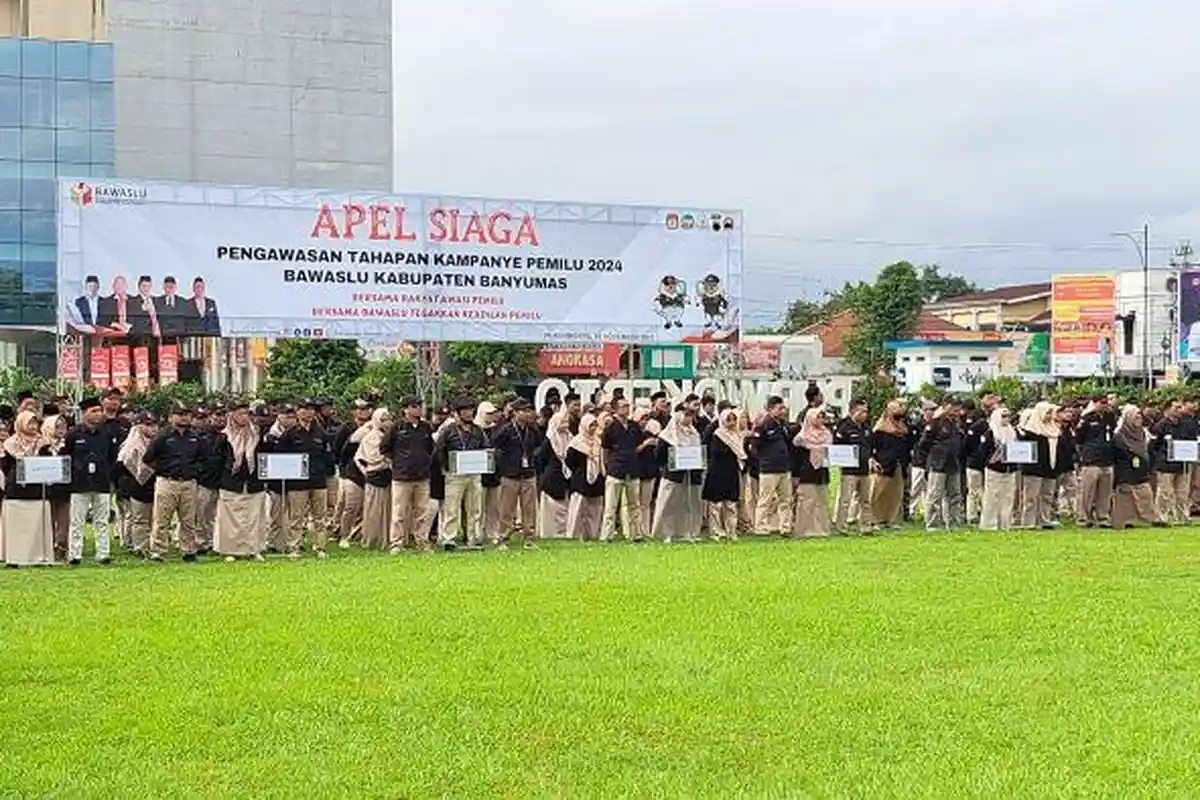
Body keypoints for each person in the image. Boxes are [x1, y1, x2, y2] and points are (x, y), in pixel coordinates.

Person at [270, 398, 332, 559]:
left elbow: (328, 456)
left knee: (320, 517)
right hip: (297, 483)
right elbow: (280, 457)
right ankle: (293, 547)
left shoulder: (320, 432)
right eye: (305, 409)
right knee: (296, 518)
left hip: (318, 480)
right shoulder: (290, 434)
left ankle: (320, 547)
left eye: (311, 409)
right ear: (298, 412)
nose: (309, 412)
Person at [142, 403, 203, 561]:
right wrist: (163, 469)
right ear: (171, 417)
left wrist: (195, 471)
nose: (183, 417)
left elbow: (202, 459)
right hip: (167, 482)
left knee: (188, 520)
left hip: (189, 483)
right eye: (179, 414)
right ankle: (158, 550)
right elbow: (148, 458)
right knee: (162, 519)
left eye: (187, 414)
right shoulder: (163, 436)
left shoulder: (195, 436)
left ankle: (188, 549)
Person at [62, 396, 118, 565]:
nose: (98, 414)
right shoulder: (74, 434)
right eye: (94, 411)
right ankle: (75, 554)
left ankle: (103, 553)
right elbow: (67, 456)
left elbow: (112, 456)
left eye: (99, 410)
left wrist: (108, 474)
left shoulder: (106, 434)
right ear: (84, 413)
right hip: (79, 483)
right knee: (77, 521)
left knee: (102, 520)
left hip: (101, 482)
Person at [0, 410, 55, 567]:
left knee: (37, 523)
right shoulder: (10, 444)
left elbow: (48, 462)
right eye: (29, 423)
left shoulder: (43, 443)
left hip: (38, 490)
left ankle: (39, 556)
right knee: (17, 525)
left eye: (35, 423)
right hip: (16, 490)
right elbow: (5, 466)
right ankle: (15, 557)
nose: (33, 426)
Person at [214, 402, 265, 562]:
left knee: (254, 516)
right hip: (231, 481)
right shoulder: (224, 436)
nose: (244, 417)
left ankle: (254, 548)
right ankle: (229, 550)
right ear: (232, 416)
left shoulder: (256, 433)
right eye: (240, 414)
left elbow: (262, 455)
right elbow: (217, 460)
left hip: (253, 481)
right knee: (229, 518)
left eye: (246, 414)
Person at [436, 398, 489, 550]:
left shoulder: (478, 430)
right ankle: (449, 538)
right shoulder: (449, 430)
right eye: (465, 410)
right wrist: (447, 466)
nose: (469, 413)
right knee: (452, 507)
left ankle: (473, 536)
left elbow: (486, 448)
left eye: (471, 410)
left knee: (474, 507)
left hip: (474, 473)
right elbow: (439, 450)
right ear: (458, 413)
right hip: (455, 474)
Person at [490, 398, 544, 549]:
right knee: (507, 508)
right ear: (515, 413)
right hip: (510, 473)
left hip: (528, 473)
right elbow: (495, 444)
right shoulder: (506, 429)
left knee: (529, 508)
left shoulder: (532, 430)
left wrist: (532, 460)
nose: (528, 414)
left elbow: (539, 444)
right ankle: (503, 537)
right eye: (524, 411)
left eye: (529, 411)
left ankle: (529, 537)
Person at [599, 396, 648, 542]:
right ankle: (606, 535)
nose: (626, 409)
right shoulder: (610, 427)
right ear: (615, 409)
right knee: (611, 506)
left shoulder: (634, 426)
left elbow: (637, 446)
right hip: (616, 469)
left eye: (628, 405)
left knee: (634, 505)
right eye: (623, 406)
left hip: (632, 469)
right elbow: (605, 449)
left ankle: (636, 534)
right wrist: (607, 466)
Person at [652, 406, 705, 543]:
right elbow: (659, 456)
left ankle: (689, 531)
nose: (688, 419)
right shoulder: (667, 435)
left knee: (690, 504)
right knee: (669, 504)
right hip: (673, 476)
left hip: (691, 476)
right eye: (686, 415)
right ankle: (666, 533)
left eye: (690, 416)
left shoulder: (695, 434)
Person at [918, 398, 965, 532]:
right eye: (953, 407)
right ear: (945, 407)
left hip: (953, 463)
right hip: (938, 463)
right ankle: (933, 525)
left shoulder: (956, 423)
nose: (956, 410)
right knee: (935, 495)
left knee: (955, 495)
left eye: (957, 407)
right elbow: (923, 444)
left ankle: (954, 523)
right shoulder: (936, 422)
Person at [116, 412, 158, 556]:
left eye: (153, 424)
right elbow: (122, 467)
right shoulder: (130, 445)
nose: (152, 428)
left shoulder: (157, 443)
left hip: (155, 485)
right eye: (148, 424)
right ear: (139, 426)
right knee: (138, 518)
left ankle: (152, 546)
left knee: (154, 519)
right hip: (134, 486)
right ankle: (137, 546)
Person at [749, 395, 792, 536]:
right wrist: (765, 460)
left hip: (784, 468)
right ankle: (760, 527)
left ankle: (785, 527)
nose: (782, 411)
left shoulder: (783, 425)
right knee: (765, 499)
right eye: (779, 408)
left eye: (783, 408)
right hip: (768, 469)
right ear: (770, 409)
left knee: (785, 499)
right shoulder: (763, 425)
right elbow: (754, 447)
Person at [354, 407, 395, 551]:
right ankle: (373, 540)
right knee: (374, 511)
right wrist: (388, 456)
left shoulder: (391, 435)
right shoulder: (371, 437)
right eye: (383, 420)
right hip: (375, 477)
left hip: (389, 476)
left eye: (389, 419)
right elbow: (371, 458)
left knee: (389, 510)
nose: (387, 423)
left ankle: (389, 539)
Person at [1018, 401, 1061, 529]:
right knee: (1031, 498)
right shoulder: (1030, 432)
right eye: (1047, 413)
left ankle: (1044, 519)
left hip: (1050, 468)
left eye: (1050, 413)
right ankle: (1028, 522)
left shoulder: (1055, 430)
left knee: (1047, 496)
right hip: (1033, 469)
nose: (1049, 416)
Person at [703, 408, 744, 542]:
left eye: (734, 420)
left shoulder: (737, 436)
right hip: (717, 472)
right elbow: (717, 453)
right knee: (716, 505)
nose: (732, 423)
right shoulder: (718, 435)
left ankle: (731, 531)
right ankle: (716, 532)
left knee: (731, 504)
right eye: (729, 420)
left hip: (732, 472)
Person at [1112, 405, 1156, 528]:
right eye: (1135, 415)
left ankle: (1146, 519)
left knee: (1145, 493)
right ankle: (1126, 520)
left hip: (1142, 467)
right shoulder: (1120, 434)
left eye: (1139, 415)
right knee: (1126, 495)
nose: (1138, 417)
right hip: (1125, 467)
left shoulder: (1143, 433)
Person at [832, 398, 872, 534]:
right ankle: (840, 526)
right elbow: (836, 446)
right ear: (853, 411)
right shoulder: (844, 427)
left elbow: (870, 446)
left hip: (864, 468)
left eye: (866, 412)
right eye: (862, 412)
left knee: (865, 500)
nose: (865, 414)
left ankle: (866, 526)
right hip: (849, 470)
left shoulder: (866, 428)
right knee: (845, 500)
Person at [791, 406, 832, 537]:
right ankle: (804, 530)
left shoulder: (827, 435)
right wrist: (795, 475)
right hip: (806, 472)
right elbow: (796, 457)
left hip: (822, 472)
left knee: (822, 501)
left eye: (822, 417)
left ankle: (821, 529)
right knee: (806, 501)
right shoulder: (801, 438)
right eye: (817, 417)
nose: (820, 420)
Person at [565, 412, 606, 540]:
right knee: (578, 509)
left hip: (597, 479)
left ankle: (593, 534)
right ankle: (574, 535)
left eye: (595, 425)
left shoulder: (598, 442)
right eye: (590, 426)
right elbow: (570, 461)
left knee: (595, 509)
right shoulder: (576, 443)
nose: (593, 428)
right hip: (580, 480)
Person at [868, 400, 909, 529]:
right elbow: (871, 447)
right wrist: (873, 461)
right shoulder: (880, 430)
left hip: (898, 465)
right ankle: (873, 520)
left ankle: (891, 519)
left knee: (895, 493)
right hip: (882, 465)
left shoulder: (903, 428)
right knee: (877, 493)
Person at [979, 407, 1019, 531]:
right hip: (994, 469)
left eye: (1008, 416)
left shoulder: (1013, 432)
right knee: (992, 497)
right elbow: (982, 452)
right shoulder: (990, 433)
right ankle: (989, 524)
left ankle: (1005, 523)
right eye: (1003, 416)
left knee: (1007, 497)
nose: (1006, 419)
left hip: (1010, 469)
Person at [1151, 400, 1189, 525]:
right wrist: (1160, 457)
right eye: (1176, 407)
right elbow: (1153, 445)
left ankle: (1182, 516)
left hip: (1181, 464)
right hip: (1165, 464)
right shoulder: (1161, 425)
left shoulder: (1184, 424)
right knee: (1165, 492)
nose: (1179, 410)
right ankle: (1162, 517)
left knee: (1182, 493)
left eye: (1180, 407)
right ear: (1168, 409)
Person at [536, 408, 571, 539]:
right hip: (552, 478)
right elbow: (541, 459)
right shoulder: (549, 440)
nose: (565, 425)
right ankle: (550, 534)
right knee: (551, 510)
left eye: (566, 422)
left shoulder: (570, 438)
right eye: (562, 422)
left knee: (564, 508)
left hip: (566, 478)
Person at [41, 413, 71, 560]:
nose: (61, 429)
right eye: (57, 426)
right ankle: (48, 549)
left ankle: (62, 547)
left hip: (64, 489)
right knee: (48, 520)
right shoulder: (42, 447)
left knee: (65, 521)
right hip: (46, 490)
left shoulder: (68, 445)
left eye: (63, 426)